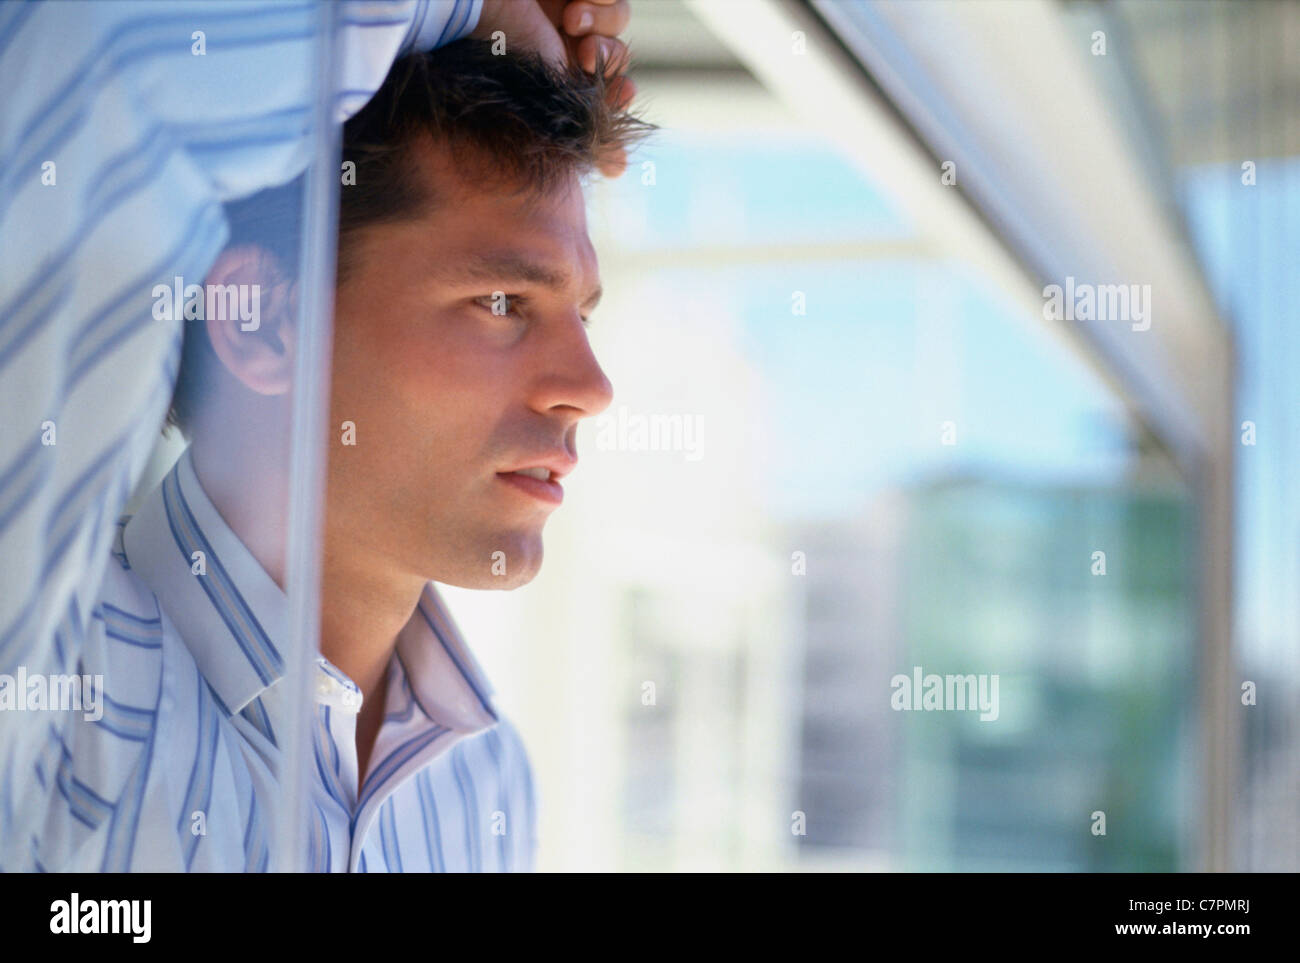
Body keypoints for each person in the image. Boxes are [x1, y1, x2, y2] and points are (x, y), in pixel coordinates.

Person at [0, 0, 650, 872]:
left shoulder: (488, 786)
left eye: (581, 314)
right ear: (263, 324)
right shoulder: (61, 687)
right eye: (502, 303)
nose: (592, 388)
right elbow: (97, 57)